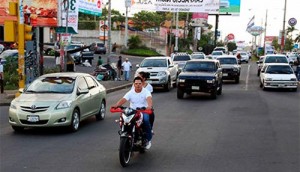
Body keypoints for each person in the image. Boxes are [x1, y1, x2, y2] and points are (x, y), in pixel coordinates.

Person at [113, 76, 153, 149]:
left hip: (143, 111)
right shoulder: (131, 92)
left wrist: (149, 106)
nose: (138, 85)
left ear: (142, 84)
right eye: (136, 83)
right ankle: (126, 138)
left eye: (139, 83)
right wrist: (116, 105)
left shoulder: (146, 92)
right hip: (132, 111)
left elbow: (149, 99)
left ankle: (147, 139)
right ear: (134, 84)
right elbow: (124, 99)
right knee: (123, 121)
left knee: (146, 120)